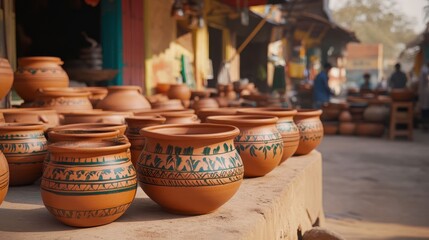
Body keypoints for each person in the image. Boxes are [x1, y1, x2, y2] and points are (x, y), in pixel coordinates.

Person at [419, 62, 429, 131]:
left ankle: (425, 125)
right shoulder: (425, 70)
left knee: (425, 109)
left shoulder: (424, 70)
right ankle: (425, 125)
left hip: (425, 93)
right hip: (425, 93)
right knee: (425, 109)